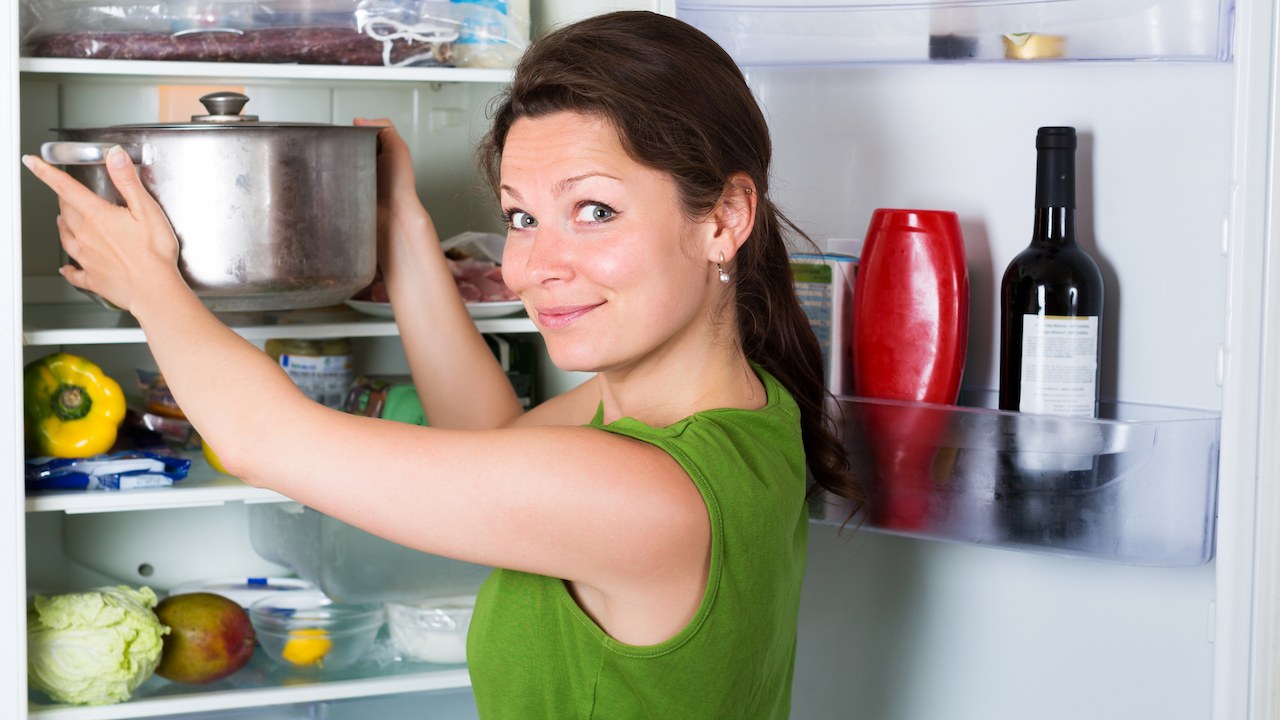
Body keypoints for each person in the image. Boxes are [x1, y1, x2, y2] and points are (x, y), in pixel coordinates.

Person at [22, 10, 862, 718]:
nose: (536, 266)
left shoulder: (649, 497)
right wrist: (402, 227)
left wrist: (148, 281)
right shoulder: (733, 416)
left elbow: (260, 441)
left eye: (594, 210)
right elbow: (492, 436)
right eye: (522, 218)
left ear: (724, 219)